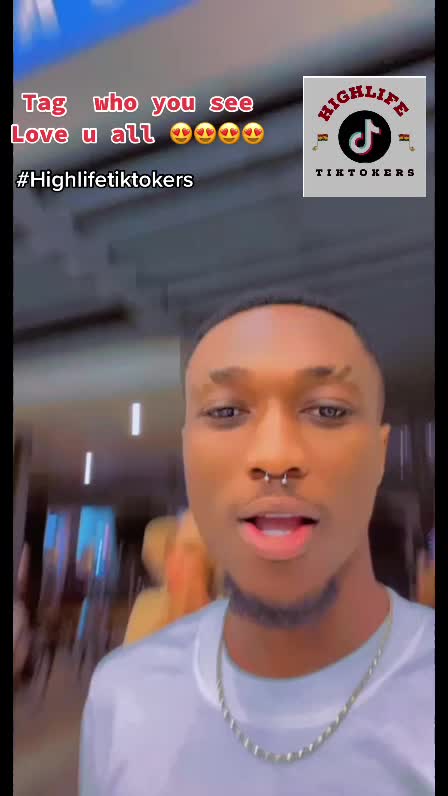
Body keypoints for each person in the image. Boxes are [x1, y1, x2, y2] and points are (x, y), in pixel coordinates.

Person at [80, 290, 434, 795]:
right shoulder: (123, 696)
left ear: (380, 456)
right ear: (187, 455)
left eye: (328, 410)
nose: (275, 456)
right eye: (226, 412)